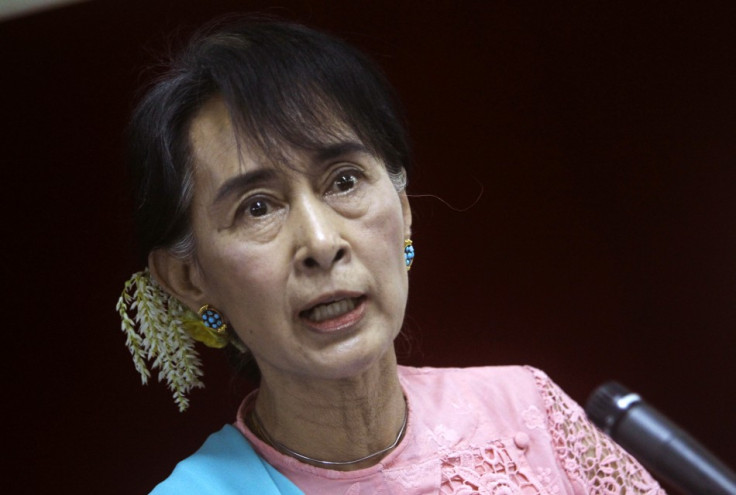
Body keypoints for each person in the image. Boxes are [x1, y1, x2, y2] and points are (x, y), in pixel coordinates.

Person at [116, 18, 666, 494]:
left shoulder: (528, 409)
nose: (321, 242)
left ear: (403, 209)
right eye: (258, 208)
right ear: (189, 279)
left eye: (345, 180)